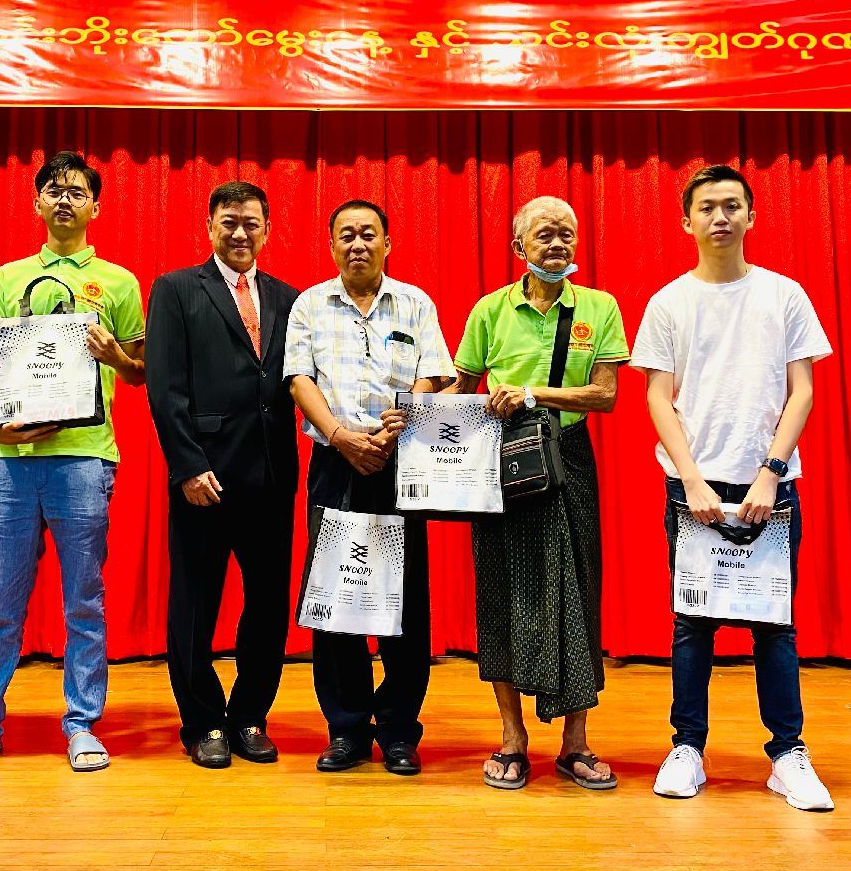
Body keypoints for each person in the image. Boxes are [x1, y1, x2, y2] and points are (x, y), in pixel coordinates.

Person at [629, 164, 835, 812]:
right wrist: (690, 477)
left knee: (775, 625)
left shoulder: (784, 295)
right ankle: (687, 747)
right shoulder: (668, 302)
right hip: (692, 487)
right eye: (707, 207)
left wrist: (771, 471)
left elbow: (802, 390)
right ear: (685, 221)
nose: (720, 217)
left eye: (732, 206)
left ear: (751, 215)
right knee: (692, 624)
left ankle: (788, 754)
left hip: (770, 486)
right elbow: (657, 396)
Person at [0, 151, 145, 772]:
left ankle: (81, 723)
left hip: (84, 458)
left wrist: (113, 354)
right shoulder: (8, 276)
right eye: (54, 190)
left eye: (77, 191)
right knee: (4, 601)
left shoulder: (119, 282)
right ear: (37, 203)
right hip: (12, 460)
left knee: (84, 600)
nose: (64, 200)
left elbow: (140, 373)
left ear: (96, 205)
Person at [446, 196, 626, 791]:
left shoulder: (598, 307)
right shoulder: (490, 310)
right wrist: (412, 418)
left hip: (568, 456)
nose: (557, 244)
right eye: (545, 234)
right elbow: (461, 388)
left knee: (579, 588)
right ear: (518, 246)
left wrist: (532, 394)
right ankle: (512, 738)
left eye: (567, 234)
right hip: (500, 460)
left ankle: (576, 743)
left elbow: (605, 395)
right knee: (500, 589)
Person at [284, 199, 456, 776]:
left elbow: (435, 373)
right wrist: (340, 436)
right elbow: (298, 379)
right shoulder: (310, 304)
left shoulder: (415, 302)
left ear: (387, 242)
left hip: (401, 461)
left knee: (404, 599)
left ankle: (400, 730)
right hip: (335, 462)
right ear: (332, 245)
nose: (357, 244)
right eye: (346, 235)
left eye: (368, 234)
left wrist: (400, 421)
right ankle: (347, 729)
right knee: (336, 596)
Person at [146, 182, 301, 769]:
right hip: (204, 476)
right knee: (194, 604)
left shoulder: (289, 298)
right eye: (229, 221)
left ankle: (250, 716)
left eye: (251, 223)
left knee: (268, 604)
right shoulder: (176, 289)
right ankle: (203, 722)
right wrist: (188, 465)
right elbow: (165, 387)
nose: (240, 233)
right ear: (209, 226)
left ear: (268, 230)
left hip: (272, 475)